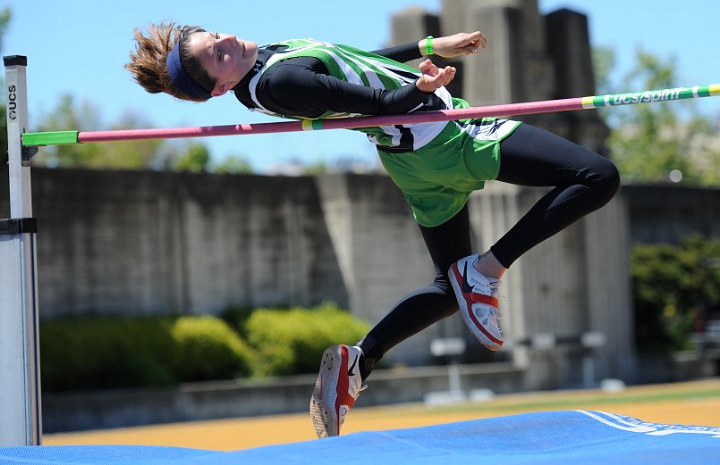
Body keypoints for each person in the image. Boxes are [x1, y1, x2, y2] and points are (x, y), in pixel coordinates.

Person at [126, 22, 620, 438]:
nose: (227, 39)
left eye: (215, 34)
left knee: (449, 288)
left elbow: (356, 62)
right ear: (217, 86)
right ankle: (488, 268)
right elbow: (382, 101)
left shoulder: (267, 66)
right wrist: (420, 90)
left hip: (412, 160)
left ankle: (358, 362)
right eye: (217, 53)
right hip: (448, 136)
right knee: (597, 176)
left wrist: (428, 48)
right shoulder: (280, 83)